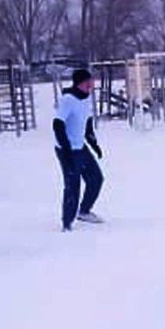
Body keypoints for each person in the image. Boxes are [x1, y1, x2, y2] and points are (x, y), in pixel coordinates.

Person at [53, 69, 105, 231]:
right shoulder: (68, 100)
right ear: (82, 82)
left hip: (80, 147)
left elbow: (87, 123)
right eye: (90, 80)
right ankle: (67, 223)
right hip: (67, 149)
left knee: (96, 178)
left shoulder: (86, 98)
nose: (93, 83)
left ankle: (84, 211)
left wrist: (94, 144)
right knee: (72, 185)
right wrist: (66, 149)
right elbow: (58, 125)